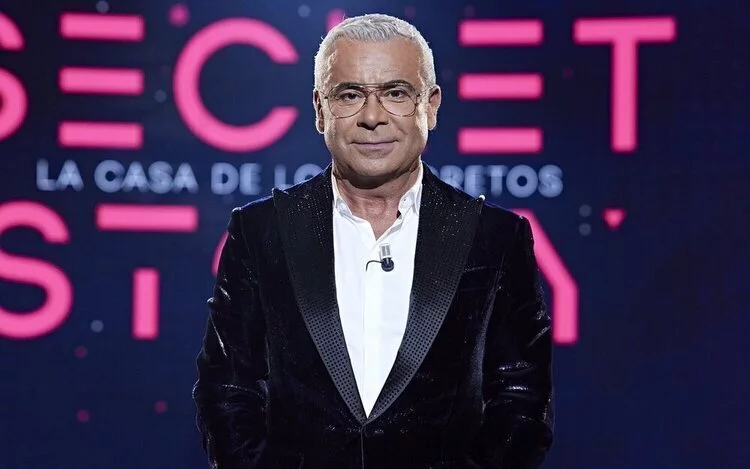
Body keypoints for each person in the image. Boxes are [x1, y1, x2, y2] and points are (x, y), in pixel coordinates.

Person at [192, 13, 553, 469]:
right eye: (349, 95)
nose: (372, 117)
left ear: (431, 105)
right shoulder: (263, 232)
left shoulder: (494, 238)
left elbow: (522, 401)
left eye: (396, 93)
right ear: (320, 110)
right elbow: (226, 392)